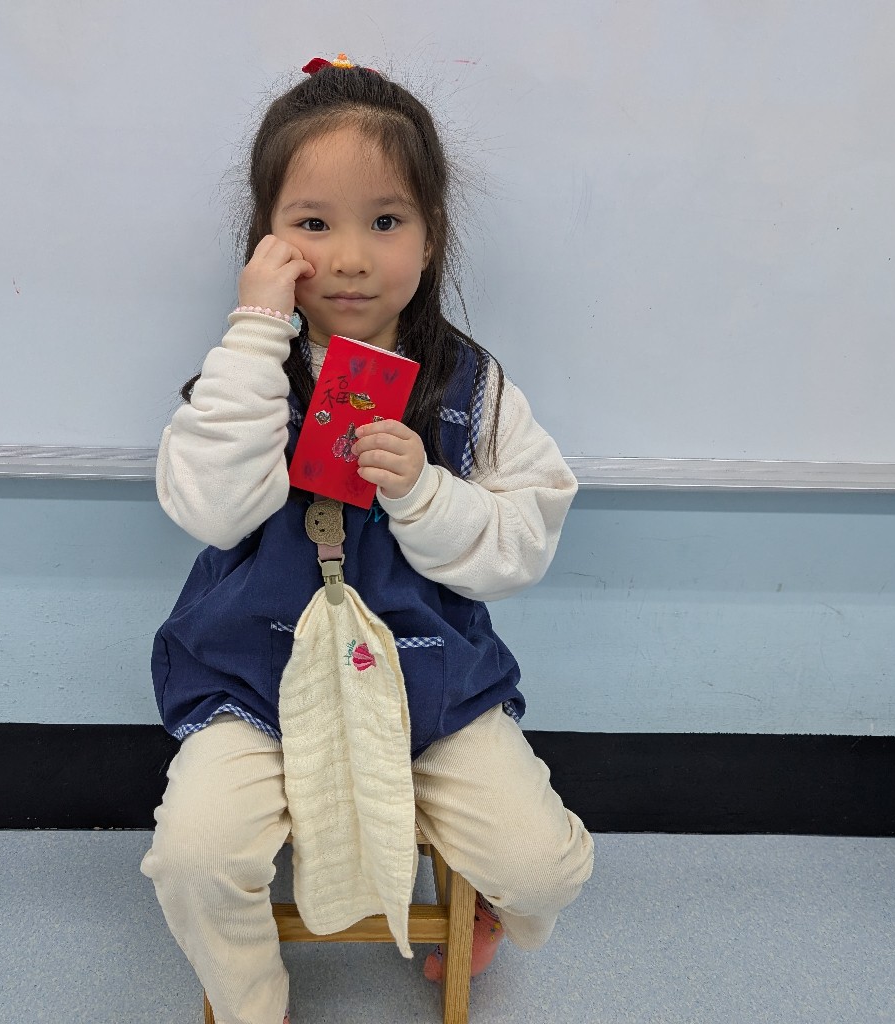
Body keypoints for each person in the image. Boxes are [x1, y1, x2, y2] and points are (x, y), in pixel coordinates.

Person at [140, 54, 594, 1024]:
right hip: (256, 678)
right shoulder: (244, 371)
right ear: (266, 239)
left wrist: (426, 493)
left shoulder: (471, 387)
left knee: (543, 865)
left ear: (431, 236)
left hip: (425, 678)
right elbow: (211, 509)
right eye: (313, 224)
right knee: (192, 854)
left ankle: (489, 913)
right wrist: (255, 331)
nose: (349, 258)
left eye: (385, 222)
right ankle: (251, 999)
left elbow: (524, 538)